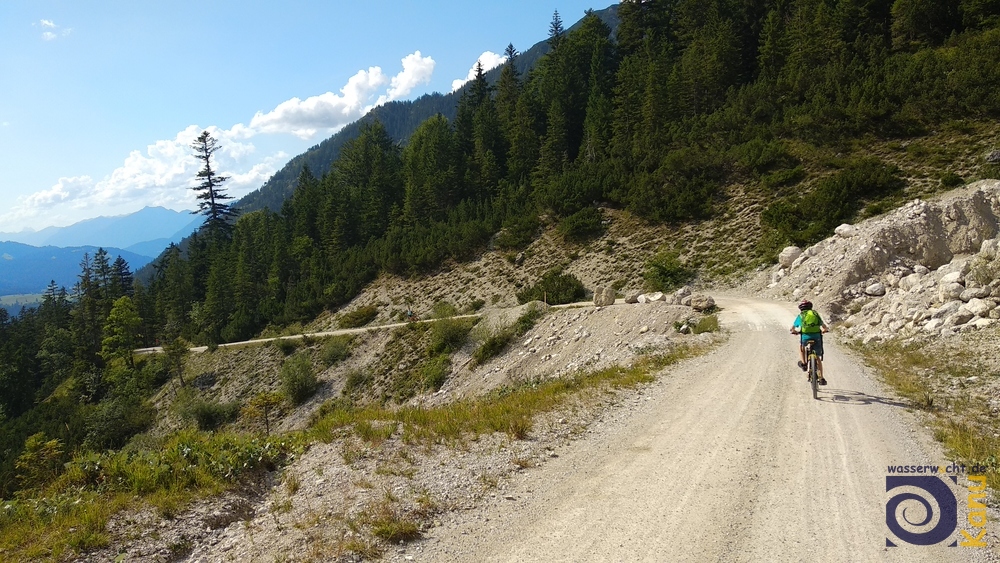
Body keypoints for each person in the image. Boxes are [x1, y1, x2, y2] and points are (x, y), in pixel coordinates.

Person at [790, 299, 829, 385]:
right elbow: (823, 325)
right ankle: (821, 378)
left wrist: (794, 331)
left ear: (801, 308)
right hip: (817, 337)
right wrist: (825, 330)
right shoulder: (815, 314)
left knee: (801, 346)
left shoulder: (801, 315)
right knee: (818, 357)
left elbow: (792, 328)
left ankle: (804, 363)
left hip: (805, 336)